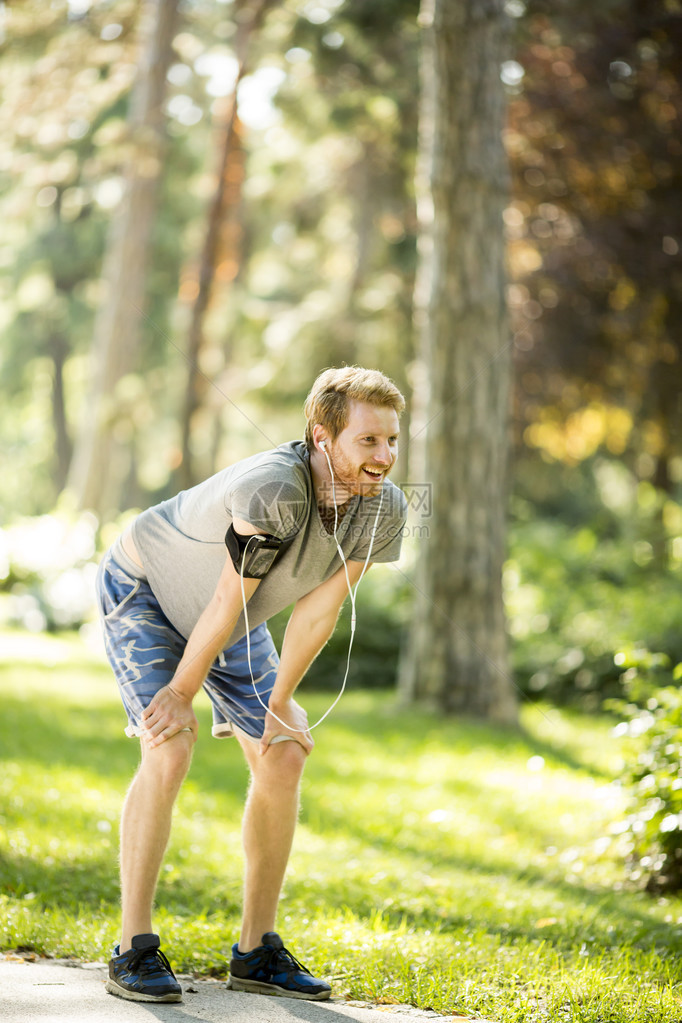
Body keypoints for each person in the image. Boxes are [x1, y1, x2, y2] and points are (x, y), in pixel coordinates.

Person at [95, 365, 408, 1004]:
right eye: (368, 441)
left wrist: (282, 699)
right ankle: (132, 947)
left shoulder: (386, 508)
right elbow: (223, 594)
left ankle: (255, 951)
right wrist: (180, 692)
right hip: (147, 589)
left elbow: (320, 609)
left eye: (392, 441)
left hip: (234, 615)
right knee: (171, 742)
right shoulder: (274, 490)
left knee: (285, 748)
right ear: (323, 437)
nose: (385, 457)